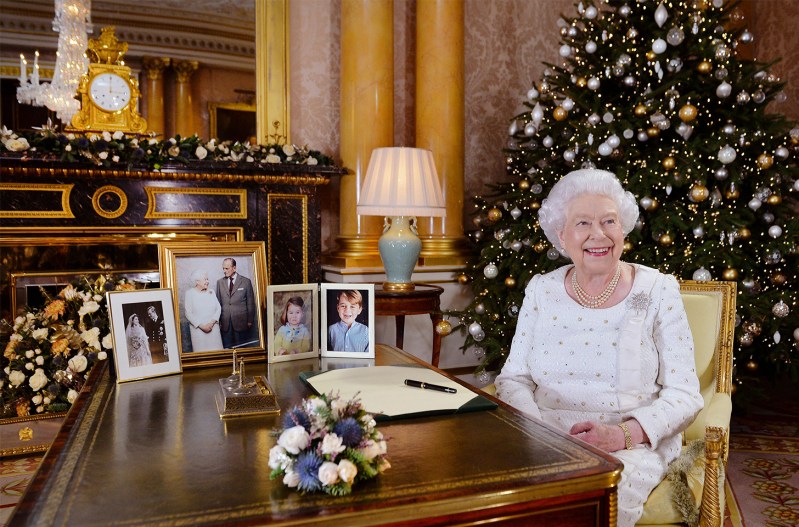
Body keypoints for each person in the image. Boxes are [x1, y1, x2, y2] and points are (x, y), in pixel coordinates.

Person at [494, 168, 703, 527]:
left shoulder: (656, 290)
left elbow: (685, 395)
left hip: (630, 444)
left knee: (595, 501)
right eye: (583, 223)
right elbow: (514, 379)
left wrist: (621, 435)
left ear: (623, 230)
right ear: (561, 235)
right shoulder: (541, 290)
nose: (598, 234)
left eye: (609, 221)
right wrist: (540, 433)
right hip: (545, 435)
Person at [215, 257, 257, 349]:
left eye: (227, 268)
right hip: (225, 323)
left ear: (234, 268)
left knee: (241, 348)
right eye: (223, 268)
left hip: (241, 322)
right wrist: (219, 320)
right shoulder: (219, 283)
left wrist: (250, 320)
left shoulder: (246, 282)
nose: (224, 271)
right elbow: (217, 303)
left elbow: (250, 302)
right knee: (227, 348)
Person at [184, 268, 224, 352]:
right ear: (197, 281)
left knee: (217, 355)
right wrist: (202, 326)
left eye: (207, 279)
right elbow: (188, 313)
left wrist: (212, 322)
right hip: (199, 331)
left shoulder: (211, 292)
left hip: (213, 329)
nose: (207, 281)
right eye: (205, 279)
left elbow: (218, 308)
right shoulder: (190, 294)